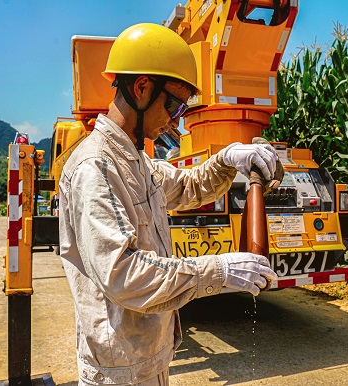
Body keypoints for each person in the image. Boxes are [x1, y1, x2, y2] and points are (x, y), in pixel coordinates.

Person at [59, 23, 279, 386]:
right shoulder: (96, 167)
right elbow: (124, 274)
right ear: (142, 87)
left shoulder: (135, 160)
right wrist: (216, 271)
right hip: (120, 371)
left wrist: (228, 159)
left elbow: (188, 185)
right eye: (174, 104)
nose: (176, 120)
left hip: (146, 357)